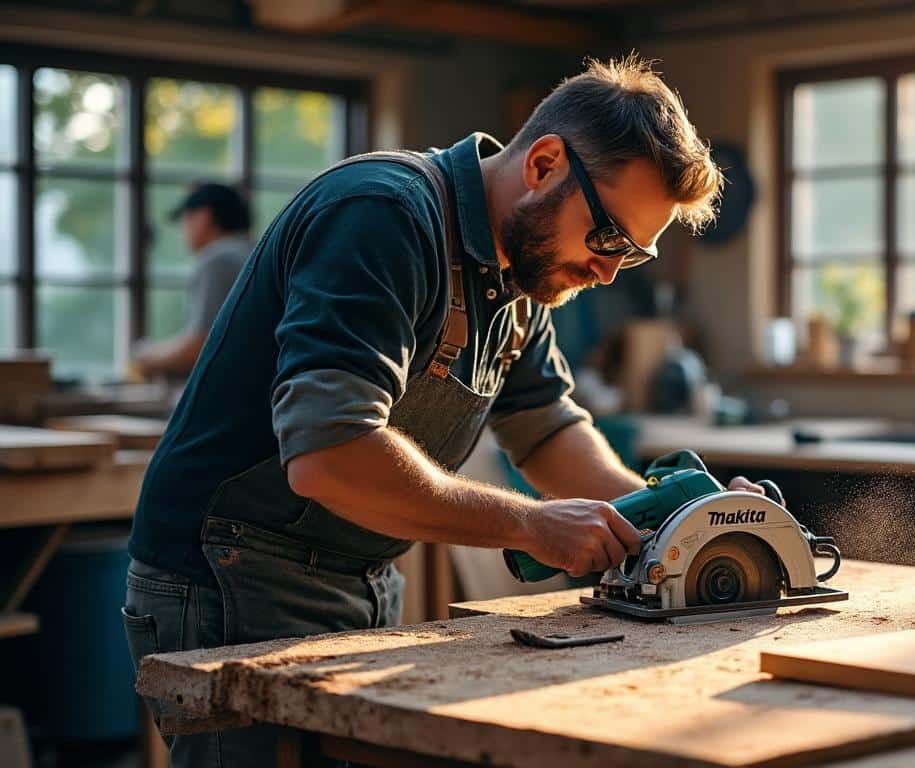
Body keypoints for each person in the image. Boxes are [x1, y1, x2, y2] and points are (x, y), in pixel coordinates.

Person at [123, 56, 762, 766]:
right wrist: (528, 523)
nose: (608, 270)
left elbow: (547, 429)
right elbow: (329, 453)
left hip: (354, 573)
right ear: (545, 165)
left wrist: (676, 523)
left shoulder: (521, 270)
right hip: (227, 572)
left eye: (632, 255)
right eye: (607, 237)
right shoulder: (385, 215)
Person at [132, 182, 252, 379]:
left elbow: (199, 347)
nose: (183, 230)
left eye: (185, 219)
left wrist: (149, 356)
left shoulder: (217, 259)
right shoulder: (257, 252)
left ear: (204, 217)